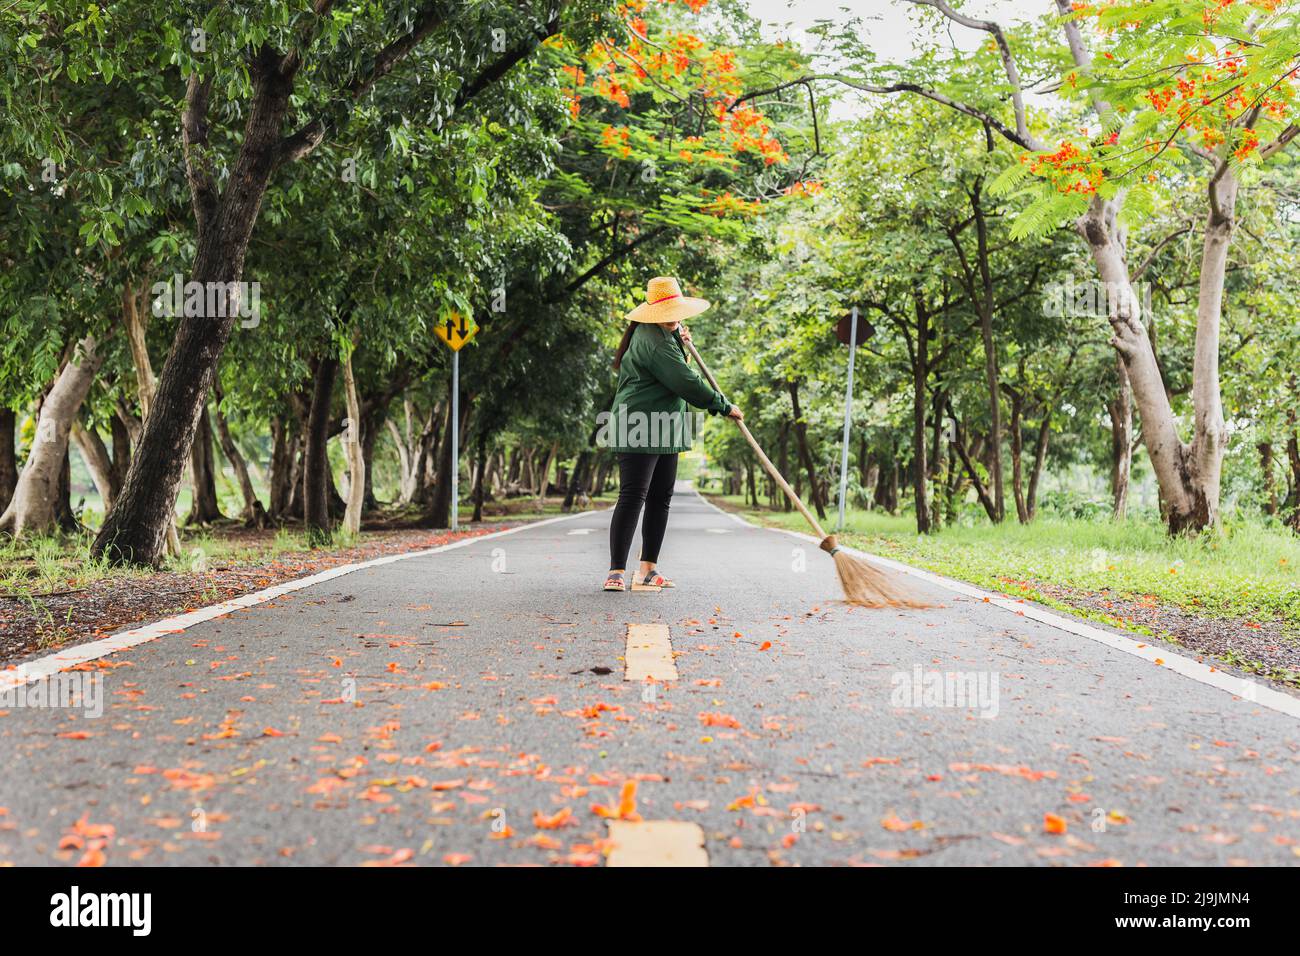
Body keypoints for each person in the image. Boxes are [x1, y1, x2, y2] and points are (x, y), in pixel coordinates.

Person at [602, 277, 743, 592]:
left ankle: (648, 570)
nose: (676, 315)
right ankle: (616, 571)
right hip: (640, 425)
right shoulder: (653, 340)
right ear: (653, 312)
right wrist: (722, 405)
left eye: (677, 310)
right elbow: (684, 381)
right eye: (669, 311)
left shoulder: (663, 336)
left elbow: (680, 371)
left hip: (665, 424)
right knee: (633, 495)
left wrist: (681, 342)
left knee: (660, 498)